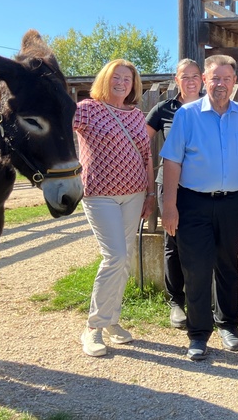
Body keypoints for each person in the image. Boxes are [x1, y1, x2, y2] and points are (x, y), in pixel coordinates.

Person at [160, 54, 238, 361]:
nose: (221, 84)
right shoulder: (187, 115)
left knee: (228, 266)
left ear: (235, 82)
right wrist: (169, 206)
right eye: (215, 78)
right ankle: (198, 334)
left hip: (233, 202)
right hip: (192, 203)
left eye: (227, 79)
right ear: (204, 80)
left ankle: (228, 324)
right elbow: (172, 161)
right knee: (196, 269)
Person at [74, 59, 155, 357]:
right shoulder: (86, 109)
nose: (122, 83)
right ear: (105, 79)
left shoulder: (136, 115)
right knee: (115, 256)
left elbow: (146, 156)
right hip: (100, 195)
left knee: (126, 257)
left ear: (134, 84)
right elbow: (55, 123)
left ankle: (112, 320)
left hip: (134, 194)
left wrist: (149, 193)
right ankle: (93, 328)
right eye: (116, 77)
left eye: (127, 79)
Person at [146, 59, 209, 329]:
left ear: (203, 78)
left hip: (203, 188)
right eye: (186, 76)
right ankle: (176, 302)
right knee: (173, 242)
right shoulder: (165, 108)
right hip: (170, 186)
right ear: (177, 79)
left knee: (206, 243)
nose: (191, 80)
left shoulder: (212, 107)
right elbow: (140, 141)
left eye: (196, 75)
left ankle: (208, 301)